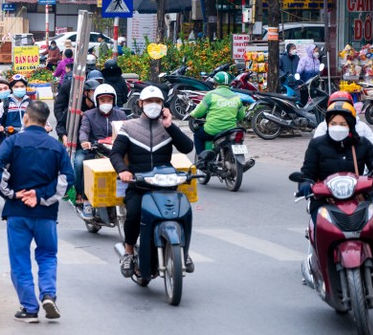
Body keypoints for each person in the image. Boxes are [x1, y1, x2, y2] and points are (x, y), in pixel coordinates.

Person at [0, 100, 75, 323]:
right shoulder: (57, 147)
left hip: (17, 212)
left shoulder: (13, 142)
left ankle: (29, 308)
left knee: (20, 259)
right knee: (47, 255)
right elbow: (68, 178)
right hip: (46, 214)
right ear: (46, 122)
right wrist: (41, 195)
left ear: (26, 118)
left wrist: (13, 194)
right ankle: (48, 293)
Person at [310, 93, 373, 280]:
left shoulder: (362, 129)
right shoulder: (322, 130)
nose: (339, 118)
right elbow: (312, 157)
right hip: (330, 186)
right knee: (316, 216)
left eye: (344, 108)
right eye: (335, 109)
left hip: (361, 184)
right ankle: (315, 261)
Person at [110, 86, 194, 278]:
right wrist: (123, 171)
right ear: (141, 104)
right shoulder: (129, 127)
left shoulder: (168, 127)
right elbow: (116, 153)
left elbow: (187, 147)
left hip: (166, 186)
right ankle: (129, 252)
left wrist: (170, 125)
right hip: (139, 185)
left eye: (157, 102)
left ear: (163, 105)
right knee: (134, 213)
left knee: (183, 212)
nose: (153, 105)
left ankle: (185, 252)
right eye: (149, 102)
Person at [73, 83, 128, 217]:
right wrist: (84, 142)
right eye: (102, 100)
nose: (106, 103)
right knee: (81, 164)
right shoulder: (88, 115)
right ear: (97, 101)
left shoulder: (121, 115)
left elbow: (129, 129)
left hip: (116, 150)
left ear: (113, 100)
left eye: (109, 100)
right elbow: (84, 130)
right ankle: (85, 199)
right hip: (94, 150)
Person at [189, 71, 246, 160]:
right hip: (230, 130)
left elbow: (198, 113)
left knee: (198, 136)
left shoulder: (210, 95)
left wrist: (192, 114)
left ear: (215, 83)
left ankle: (201, 159)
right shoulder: (236, 97)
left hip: (212, 130)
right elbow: (241, 116)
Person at [0, 74, 31, 149]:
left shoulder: (31, 104)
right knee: (1, 158)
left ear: (26, 87)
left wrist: (46, 126)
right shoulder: (5, 104)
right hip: (9, 138)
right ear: (11, 88)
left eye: (22, 86)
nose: (19, 88)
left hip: (28, 137)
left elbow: (41, 118)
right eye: (16, 87)